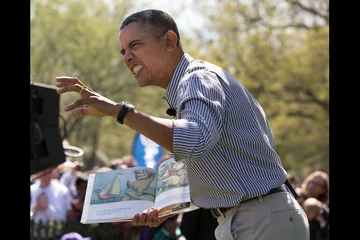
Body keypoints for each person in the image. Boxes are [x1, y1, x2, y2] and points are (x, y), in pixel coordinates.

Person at [55, 9, 309, 240]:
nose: (127, 57)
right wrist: (168, 207)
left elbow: (194, 141)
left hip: (260, 219)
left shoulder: (197, 78)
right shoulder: (191, 84)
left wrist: (118, 111)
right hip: (253, 218)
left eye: (134, 45)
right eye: (123, 51)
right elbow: (220, 167)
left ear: (169, 41)